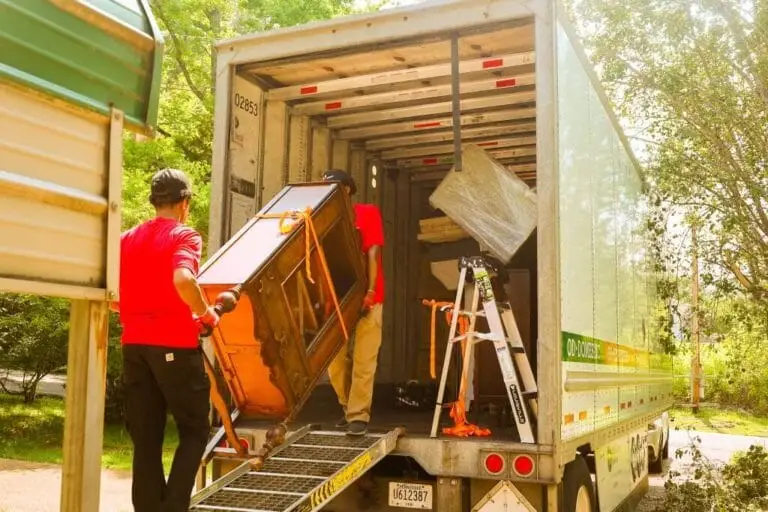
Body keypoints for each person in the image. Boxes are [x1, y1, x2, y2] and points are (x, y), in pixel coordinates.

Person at [111, 168, 219, 512]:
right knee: (194, 430)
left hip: (134, 347)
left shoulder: (126, 239)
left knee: (146, 439)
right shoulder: (183, 236)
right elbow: (184, 280)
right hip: (173, 345)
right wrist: (205, 314)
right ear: (184, 203)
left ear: (154, 202)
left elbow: (112, 295)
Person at [322, 169, 385, 436]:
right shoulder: (323, 219)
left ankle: (359, 415)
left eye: (333, 186)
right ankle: (348, 407)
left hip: (369, 295)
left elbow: (373, 252)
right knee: (334, 361)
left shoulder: (366, 212)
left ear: (346, 189)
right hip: (337, 299)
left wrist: (370, 291)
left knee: (364, 358)